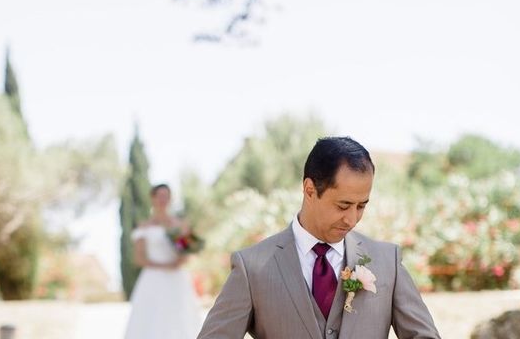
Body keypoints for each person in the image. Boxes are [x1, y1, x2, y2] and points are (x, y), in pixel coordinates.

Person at [197, 136, 441, 339]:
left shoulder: (387, 262)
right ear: (310, 190)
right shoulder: (252, 267)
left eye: (361, 206)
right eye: (343, 205)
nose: (352, 219)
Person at [124, 184, 203, 339]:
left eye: (166, 196)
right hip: (153, 278)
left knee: (179, 317)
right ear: (152, 198)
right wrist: (163, 266)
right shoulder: (144, 226)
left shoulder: (179, 225)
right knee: (151, 318)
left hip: (177, 279)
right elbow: (138, 258)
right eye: (159, 196)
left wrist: (179, 260)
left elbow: (186, 253)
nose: (163, 199)